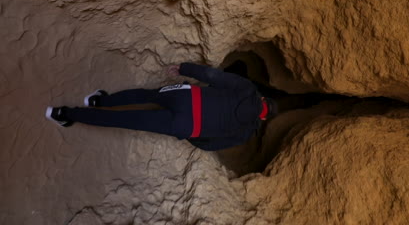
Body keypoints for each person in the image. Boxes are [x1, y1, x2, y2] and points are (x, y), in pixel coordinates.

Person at [45, 62, 278, 151]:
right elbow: (212, 145)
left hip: (187, 97)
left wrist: (185, 69)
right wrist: (190, 134)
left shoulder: (248, 90)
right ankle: (64, 114)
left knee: (145, 96)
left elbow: (213, 76)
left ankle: (98, 100)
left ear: (263, 100)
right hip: (185, 126)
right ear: (264, 118)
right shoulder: (247, 132)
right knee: (127, 122)